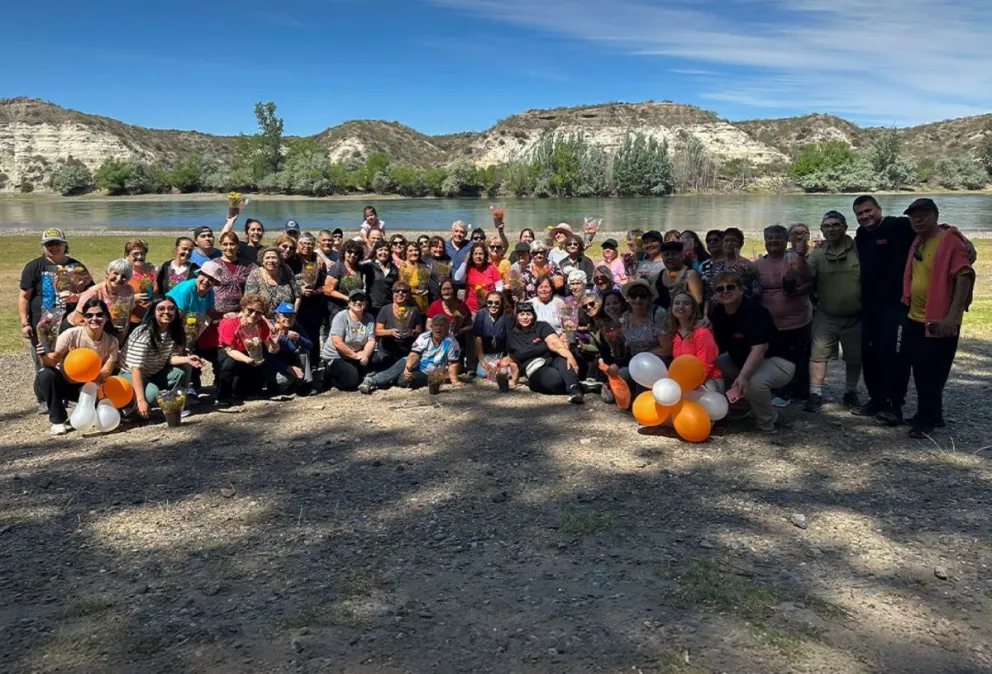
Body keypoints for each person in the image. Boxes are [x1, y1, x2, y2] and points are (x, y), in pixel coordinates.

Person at [900, 198, 975, 438]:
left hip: (939, 318)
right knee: (920, 369)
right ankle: (933, 413)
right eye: (913, 216)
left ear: (935, 215)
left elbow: (964, 276)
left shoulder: (950, 240)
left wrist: (953, 316)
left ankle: (927, 420)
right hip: (915, 317)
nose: (918, 219)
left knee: (933, 371)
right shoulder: (918, 241)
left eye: (923, 215)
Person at [851, 194, 917, 423]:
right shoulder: (861, 235)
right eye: (860, 214)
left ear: (878, 209)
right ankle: (876, 399)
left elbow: (929, 228)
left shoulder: (898, 225)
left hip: (896, 305)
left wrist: (959, 238)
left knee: (894, 354)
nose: (865, 216)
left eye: (869, 211)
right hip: (870, 305)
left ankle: (894, 405)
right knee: (870, 354)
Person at [709, 270, 796, 432]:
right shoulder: (718, 313)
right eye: (720, 289)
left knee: (754, 383)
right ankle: (739, 406)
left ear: (741, 289)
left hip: (777, 360)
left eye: (730, 287)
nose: (725, 291)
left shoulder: (755, 311)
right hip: (743, 359)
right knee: (715, 366)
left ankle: (767, 421)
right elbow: (717, 345)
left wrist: (743, 376)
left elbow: (760, 348)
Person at [19, 228, 93, 409]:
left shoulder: (77, 266)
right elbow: (24, 297)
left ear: (65, 244)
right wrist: (25, 323)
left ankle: (66, 394)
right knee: (44, 361)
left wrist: (77, 298)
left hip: (70, 323)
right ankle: (44, 398)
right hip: (43, 324)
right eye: (49, 244)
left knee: (69, 359)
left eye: (57, 243)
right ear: (43, 247)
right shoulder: (34, 267)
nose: (53, 247)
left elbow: (90, 292)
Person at [802, 211, 863, 412]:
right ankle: (815, 393)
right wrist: (801, 256)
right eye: (826, 226)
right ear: (821, 230)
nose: (831, 229)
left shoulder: (859, 249)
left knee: (854, 357)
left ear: (845, 227)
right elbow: (806, 276)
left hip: (856, 315)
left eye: (836, 225)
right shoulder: (817, 255)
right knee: (818, 355)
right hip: (826, 314)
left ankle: (850, 393)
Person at [34, 298, 119, 435]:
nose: (94, 318)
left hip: (89, 385)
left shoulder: (111, 341)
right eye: (89, 315)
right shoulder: (71, 334)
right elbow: (52, 361)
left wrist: (93, 376)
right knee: (46, 374)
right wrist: (43, 355)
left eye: (99, 315)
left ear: (106, 318)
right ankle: (58, 420)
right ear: (84, 319)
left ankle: (83, 409)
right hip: (65, 382)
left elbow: (106, 370)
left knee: (102, 408)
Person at [756, 224, 812, 407]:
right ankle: (777, 388)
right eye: (769, 238)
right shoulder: (758, 264)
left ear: (785, 240)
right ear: (765, 242)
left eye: (777, 238)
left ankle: (797, 391)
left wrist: (796, 291)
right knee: (775, 358)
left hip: (796, 320)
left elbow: (810, 283)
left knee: (796, 357)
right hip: (769, 321)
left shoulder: (795, 259)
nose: (773, 241)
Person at [122, 297, 202, 419]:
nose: (166, 312)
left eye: (171, 309)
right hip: (130, 373)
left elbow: (168, 358)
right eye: (161, 309)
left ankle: (176, 403)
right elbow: (135, 369)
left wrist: (187, 359)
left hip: (153, 371)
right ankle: (130, 407)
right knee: (153, 394)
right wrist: (141, 400)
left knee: (183, 370)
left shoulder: (173, 332)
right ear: (153, 311)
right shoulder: (144, 334)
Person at [505, 301, 585, 403]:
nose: (525, 317)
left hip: (552, 360)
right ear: (517, 317)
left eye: (528, 314)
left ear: (533, 316)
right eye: (521, 314)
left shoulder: (542, 326)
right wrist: (514, 380)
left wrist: (570, 356)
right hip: (534, 369)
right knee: (555, 380)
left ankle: (575, 390)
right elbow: (512, 360)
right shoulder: (512, 335)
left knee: (564, 360)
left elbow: (555, 343)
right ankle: (582, 387)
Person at [358, 283, 424, 394]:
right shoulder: (385, 309)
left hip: (406, 352)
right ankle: (372, 380)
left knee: (400, 379)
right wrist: (390, 332)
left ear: (408, 295)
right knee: (389, 380)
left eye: (404, 291)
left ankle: (372, 379)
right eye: (396, 291)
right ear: (392, 294)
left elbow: (419, 331)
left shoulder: (414, 310)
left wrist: (412, 332)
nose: (400, 293)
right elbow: (377, 330)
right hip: (388, 351)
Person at [215, 294, 281, 404]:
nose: (254, 314)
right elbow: (229, 350)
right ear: (243, 308)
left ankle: (249, 389)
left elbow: (270, 348)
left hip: (246, 349)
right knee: (230, 364)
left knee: (262, 357)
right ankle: (223, 395)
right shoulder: (230, 322)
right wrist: (248, 360)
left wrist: (274, 345)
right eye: (250, 310)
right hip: (227, 349)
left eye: (259, 312)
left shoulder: (261, 324)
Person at [616, 279, 669, 392]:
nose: (637, 299)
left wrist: (642, 356)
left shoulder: (658, 314)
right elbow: (626, 346)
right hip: (635, 363)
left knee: (643, 372)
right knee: (619, 375)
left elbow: (666, 349)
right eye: (633, 295)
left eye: (643, 296)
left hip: (658, 361)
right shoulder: (626, 318)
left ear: (649, 298)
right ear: (628, 298)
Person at [321, 289, 376, 392]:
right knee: (351, 383)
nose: (358, 302)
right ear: (349, 303)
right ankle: (330, 374)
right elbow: (337, 342)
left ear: (366, 302)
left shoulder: (369, 318)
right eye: (354, 300)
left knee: (378, 359)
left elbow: (371, 340)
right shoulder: (341, 317)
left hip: (356, 354)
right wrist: (356, 356)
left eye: (361, 299)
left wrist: (365, 354)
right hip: (337, 356)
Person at [668, 291, 722, 391]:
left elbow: (705, 365)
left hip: (707, 379)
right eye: (677, 303)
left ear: (693, 308)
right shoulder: (673, 331)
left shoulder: (702, 331)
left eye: (686, 303)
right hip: (683, 379)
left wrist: (690, 385)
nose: (681, 306)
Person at [70, 259, 136, 339]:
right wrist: (103, 331)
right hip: (77, 328)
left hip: (110, 330)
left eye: (124, 276)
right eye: (116, 273)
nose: (119, 278)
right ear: (107, 274)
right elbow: (76, 320)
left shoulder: (128, 291)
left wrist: (121, 337)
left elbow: (127, 317)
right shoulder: (93, 292)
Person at [293, 233, 329, 365]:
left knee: (313, 334)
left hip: (314, 305)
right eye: (303, 243)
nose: (306, 246)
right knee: (298, 333)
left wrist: (314, 292)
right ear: (297, 244)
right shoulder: (293, 259)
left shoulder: (318, 261)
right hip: (297, 304)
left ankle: (314, 363)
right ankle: (300, 363)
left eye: (309, 243)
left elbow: (326, 285)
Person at [399, 314, 462, 389]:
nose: (438, 328)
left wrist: (455, 381)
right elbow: (414, 354)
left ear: (447, 328)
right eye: (436, 325)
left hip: (428, 373)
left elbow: (453, 363)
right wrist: (407, 368)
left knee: (403, 381)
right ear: (431, 327)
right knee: (389, 374)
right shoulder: (423, 337)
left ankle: (394, 380)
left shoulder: (452, 342)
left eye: (442, 325)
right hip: (412, 363)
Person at [264, 302, 315, 396]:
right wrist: (287, 368)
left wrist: (299, 338)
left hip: (291, 361)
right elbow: (269, 357)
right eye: (285, 316)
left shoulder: (297, 327)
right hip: (276, 367)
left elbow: (310, 345)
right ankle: (277, 386)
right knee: (283, 380)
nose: (288, 319)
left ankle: (306, 385)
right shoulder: (270, 329)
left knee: (304, 352)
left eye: (291, 316)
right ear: (277, 317)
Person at [702, 227, 761, 300]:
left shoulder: (748, 265)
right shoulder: (717, 265)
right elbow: (712, 287)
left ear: (741, 244)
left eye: (733, 240)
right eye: (726, 240)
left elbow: (757, 291)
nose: (729, 243)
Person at [426, 279, 474, 367]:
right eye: (443, 289)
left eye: (449, 289)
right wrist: (439, 333)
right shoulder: (435, 305)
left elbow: (470, 325)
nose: (446, 292)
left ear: (454, 290)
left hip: (457, 342)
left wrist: (459, 331)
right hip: (438, 342)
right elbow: (428, 325)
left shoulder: (462, 306)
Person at [245, 246, 300, 316]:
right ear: (262, 261)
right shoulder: (255, 274)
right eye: (267, 258)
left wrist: (292, 315)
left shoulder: (286, 271)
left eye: (274, 257)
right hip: (261, 319)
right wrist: (266, 322)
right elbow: (249, 302)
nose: (270, 260)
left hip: (285, 318)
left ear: (280, 260)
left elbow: (298, 296)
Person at [212, 231, 256, 317]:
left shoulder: (248, 265)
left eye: (232, 244)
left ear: (238, 245)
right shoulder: (214, 264)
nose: (229, 247)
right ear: (221, 246)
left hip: (239, 312)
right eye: (225, 244)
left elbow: (261, 274)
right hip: (217, 311)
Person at [473, 290, 512, 380]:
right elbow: (478, 338)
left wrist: (507, 358)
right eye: (490, 302)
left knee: (506, 372)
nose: (493, 305)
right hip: (486, 354)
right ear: (486, 302)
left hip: (502, 354)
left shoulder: (507, 315)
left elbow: (510, 338)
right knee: (481, 373)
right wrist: (482, 360)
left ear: (502, 304)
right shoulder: (481, 314)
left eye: (497, 303)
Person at [455, 242, 503, 314]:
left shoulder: (491, 268)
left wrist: (494, 298)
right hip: (471, 309)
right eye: (475, 254)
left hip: (489, 308)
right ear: (472, 255)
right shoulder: (468, 268)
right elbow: (457, 277)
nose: (478, 256)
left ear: (485, 255)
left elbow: (499, 285)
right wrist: (465, 261)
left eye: (481, 254)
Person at [327, 240, 369, 320]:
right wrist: (347, 298)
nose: (353, 255)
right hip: (338, 309)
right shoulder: (337, 267)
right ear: (344, 252)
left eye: (356, 253)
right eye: (349, 252)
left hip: (355, 309)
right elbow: (328, 290)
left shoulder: (359, 268)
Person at [657, 241, 704, 309]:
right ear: (662, 258)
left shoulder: (690, 274)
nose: (670, 257)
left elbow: (697, 302)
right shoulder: (659, 275)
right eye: (666, 254)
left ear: (682, 256)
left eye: (674, 254)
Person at [124, 239, 157, 324]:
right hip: (132, 320)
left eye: (142, 254)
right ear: (127, 256)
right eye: (135, 254)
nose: (139, 257)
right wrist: (133, 298)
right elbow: (113, 297)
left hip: (152, 318)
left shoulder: (152, 270)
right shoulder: (123, 273)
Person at [365, 241, 400, 317]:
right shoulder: (368, 266)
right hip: (372, 307)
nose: (383, 252)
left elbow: (395, 288)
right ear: (375, 252)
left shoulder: (394, 268)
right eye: (380, 250)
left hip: (388, 307)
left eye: (386, 250)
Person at [399, 242, 432, 313]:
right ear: (405, 253)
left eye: (416, 250)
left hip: (423, 305)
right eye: (410, 251)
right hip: (409, 306)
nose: (414, 253)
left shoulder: (423, 266)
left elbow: (426, 284)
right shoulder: (403, 267)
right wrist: (416, 291)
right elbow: (403, 286)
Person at [426, 235, 453, 302]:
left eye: (440, 247)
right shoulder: (424, 259)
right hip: (429, 296)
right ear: (430, 248)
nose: (438, 249)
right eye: (435, 247)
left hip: (444, 295)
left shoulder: (447, 259)